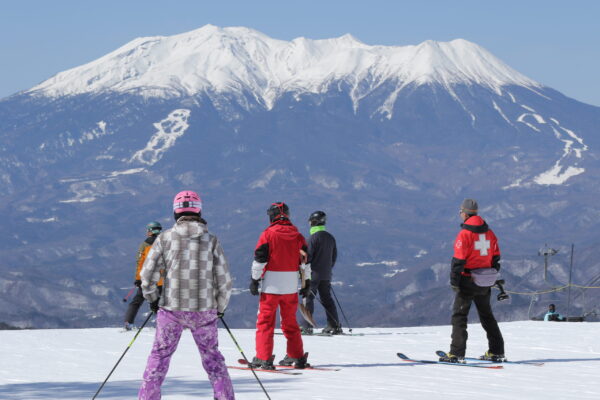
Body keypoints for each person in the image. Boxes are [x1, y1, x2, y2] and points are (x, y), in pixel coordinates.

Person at [138, 190, 234, 400]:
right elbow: (224, 280)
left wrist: (153, 299)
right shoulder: (211, 241)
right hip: (204, 310)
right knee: (213, 359)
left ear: (175, 212)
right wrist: (220, 307)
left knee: (160, 356)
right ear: (199, 210)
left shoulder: (164, 239)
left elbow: (147, 276)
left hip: (171, 309)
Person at [439, 199, 506, 363]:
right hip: (485, 280)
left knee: (459, 316)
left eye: (460, 212)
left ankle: (456, 353)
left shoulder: (465, 234)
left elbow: (458, 260)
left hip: (468, 280)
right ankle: (497, 351)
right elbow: (496, 257)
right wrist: (490, 273)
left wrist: (455, 282)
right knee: (487, 315)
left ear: (465, 213)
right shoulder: (489, 232)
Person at [248, 202, 311, 369]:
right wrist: (307, 282)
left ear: (272, 216)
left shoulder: (268, 234)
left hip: (271, 287)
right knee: (290, 322)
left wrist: (254, 280)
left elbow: (260, 259)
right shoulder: (297, 236)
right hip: (291, 286)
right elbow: (306, 262)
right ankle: (296, 355)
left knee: (265, 322)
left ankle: (263, 357)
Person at [298, 210, 341, 335]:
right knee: (327, 299)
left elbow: (307, 258)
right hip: (326, 274)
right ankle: (334, 325)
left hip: (312, 273)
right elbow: (334, 257)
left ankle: (306, 326)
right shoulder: (330, 237)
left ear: (313, 222)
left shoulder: (312, 238)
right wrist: (327, 268)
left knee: (308, 298)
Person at [124, 221, 163, 331]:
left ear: (151, 231)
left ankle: (128, 322)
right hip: (161, 280)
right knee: (162, 303)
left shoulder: (145, 245)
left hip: (147, 279)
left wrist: (138, 279)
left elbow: (140, 262)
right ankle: (165, 324)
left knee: (137, 301)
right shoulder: (166, 244)